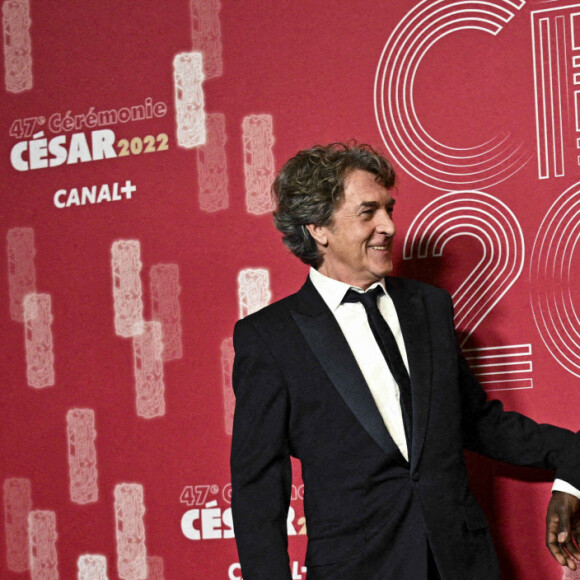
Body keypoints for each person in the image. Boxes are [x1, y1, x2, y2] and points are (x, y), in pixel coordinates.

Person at [230, 142, 580, 579]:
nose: (389, 226)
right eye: (368, 212)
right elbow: (258, 487)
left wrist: (573, 457)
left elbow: (476, 421)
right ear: (318, 227)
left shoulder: (428, 307)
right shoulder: (270, 338)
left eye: (389, 209)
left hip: (461, 563)